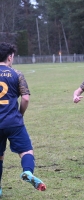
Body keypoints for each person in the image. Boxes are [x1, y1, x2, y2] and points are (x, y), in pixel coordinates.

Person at [0, 42, 46, 197]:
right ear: (10, 56)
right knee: (26, 150)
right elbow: (25, 98)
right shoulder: (16, 74)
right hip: (14, 121)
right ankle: (27, 172)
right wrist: (20, 113)